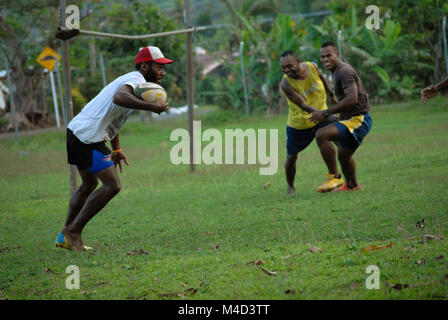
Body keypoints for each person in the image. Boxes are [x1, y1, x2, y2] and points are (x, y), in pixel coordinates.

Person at [55, 46, 172, 252]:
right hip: (88, 138)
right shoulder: (136, 80)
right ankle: (73, 233)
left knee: (88, 184)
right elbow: (119, 98)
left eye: (164, 67)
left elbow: (115, 115)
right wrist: (153, 107)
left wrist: (116, 150)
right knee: (112, 186)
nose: (163, 72)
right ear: (145, 66)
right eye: (159, 67)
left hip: (77, 132)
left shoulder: (133, 84)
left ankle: (63, 234)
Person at [309, 42, 372, 192]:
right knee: (343, 156)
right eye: (322, 57)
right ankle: (352, 186)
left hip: (359, 120)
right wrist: (331, 96)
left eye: (328, 55)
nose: (325, 59)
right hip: (349, 119)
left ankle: (334, 177)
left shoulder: (344, 71)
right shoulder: (336, 70)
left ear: (337, 54)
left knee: (321, 134)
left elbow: (352, 99)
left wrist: (326, 112)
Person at [280, 50, 344, 194]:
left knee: (342, 143)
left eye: (289, 66)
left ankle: (339, 178)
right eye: (283, 67)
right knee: (291, 157)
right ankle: (290, 186)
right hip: (299, 124)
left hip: (322, 116)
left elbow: (322, 78)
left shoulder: (312, 67)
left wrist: (331, 95)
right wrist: (327, 115)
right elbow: (302, 104)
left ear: (297, 61)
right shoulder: (285, 84)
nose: (286, 70)